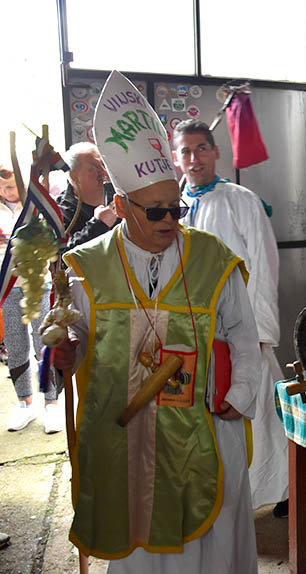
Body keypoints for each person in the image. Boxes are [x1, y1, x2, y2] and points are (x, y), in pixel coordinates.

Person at [53, 71, 260, 573]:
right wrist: (64, 353)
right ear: (121, 206)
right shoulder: (86, 267)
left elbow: (242, 332)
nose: (171, 220)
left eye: (176, 208)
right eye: (157, 212)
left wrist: (239, 395)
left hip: (202, 432)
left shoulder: (212, 259)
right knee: (139, 545)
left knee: (211, 542)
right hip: (125, 439)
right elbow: (74, 339)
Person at [172, 118, 289, 518]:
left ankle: (282, 486)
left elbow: (263, 263)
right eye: (185, 151)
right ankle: (222, 493)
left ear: (215, 151)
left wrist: (261, 332)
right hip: (197, 331)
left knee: (263, 412)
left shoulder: (241, 201)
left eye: (201, 148)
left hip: (245, 327)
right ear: (176, 158)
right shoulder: (171, 206)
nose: (194, 158)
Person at [0, 165, 61, 433]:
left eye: (11, 186)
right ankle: (25, 402)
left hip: (40, 285)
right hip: (8, 288)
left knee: (43, 342)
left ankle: (51, 403)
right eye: (2, 188)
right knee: (14, 344)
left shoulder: (38, 208)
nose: (6, 191)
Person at [58, 142, 119, 250]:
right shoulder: (61, 213)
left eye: (103, 165)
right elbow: (63, 257)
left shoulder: (119, 196)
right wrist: (98, 224)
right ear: (74, 175)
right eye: (94, 168)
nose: (103, 172)